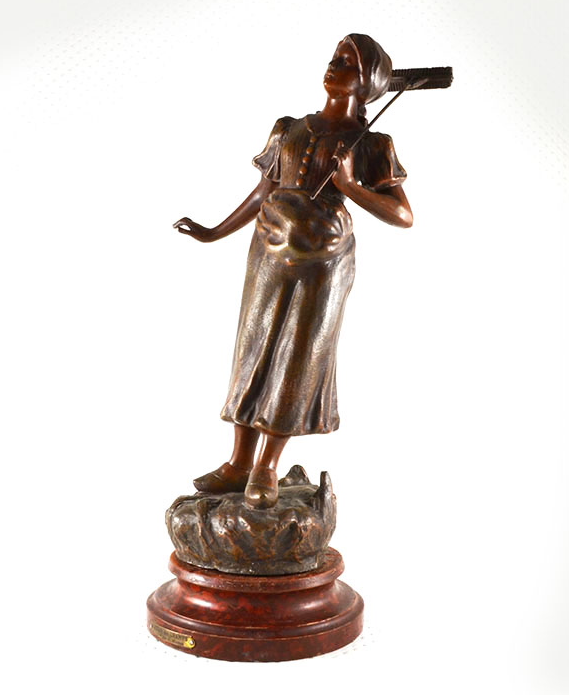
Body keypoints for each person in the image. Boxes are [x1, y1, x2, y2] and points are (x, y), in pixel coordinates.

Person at [174, 34, 413, 509]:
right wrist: (213, 232)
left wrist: (350, 186)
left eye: (348, 62)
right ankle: (238, 462)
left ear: (367, 81)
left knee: (295, 360)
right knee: (254, 350)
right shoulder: (288, 129)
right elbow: (263, 192)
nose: (334, 65)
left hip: (323, 263)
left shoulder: (372, 143)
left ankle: (266, 466)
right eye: (335, 56)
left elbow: (403, 214)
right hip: (268, 251)